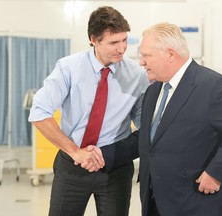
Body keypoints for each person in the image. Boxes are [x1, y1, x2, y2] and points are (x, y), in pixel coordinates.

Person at [28, 6, 149, 216]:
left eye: (124, 40)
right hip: (72, 165)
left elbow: (144, 123)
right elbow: (39, 112)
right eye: (113, 42)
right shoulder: (68, 68)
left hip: (115, 168)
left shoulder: (137, 75)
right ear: (94, 39)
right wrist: (76, 152)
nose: (122, 49)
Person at [138, 22, 222, 216]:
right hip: (157, 198)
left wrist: (215, 174)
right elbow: (149, 140)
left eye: (146, 55)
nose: (141, 62)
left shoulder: (212, 85)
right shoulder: (154, 91)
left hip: (196, 201)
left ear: (170, 54)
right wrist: (102, 154)